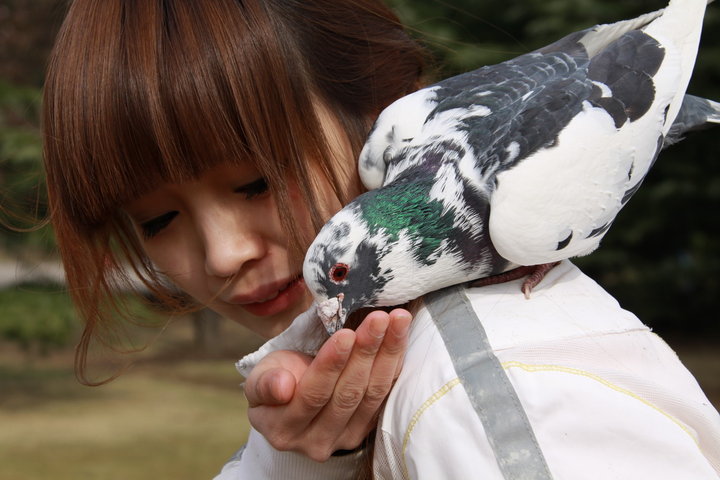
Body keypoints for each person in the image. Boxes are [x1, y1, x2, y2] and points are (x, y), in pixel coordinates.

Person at [42, 1, 720, 479]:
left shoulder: (501, 394)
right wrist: (293, 464)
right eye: (156, 221)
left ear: (378, 107)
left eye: (253, 182)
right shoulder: (350, 384)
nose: (223, 256)